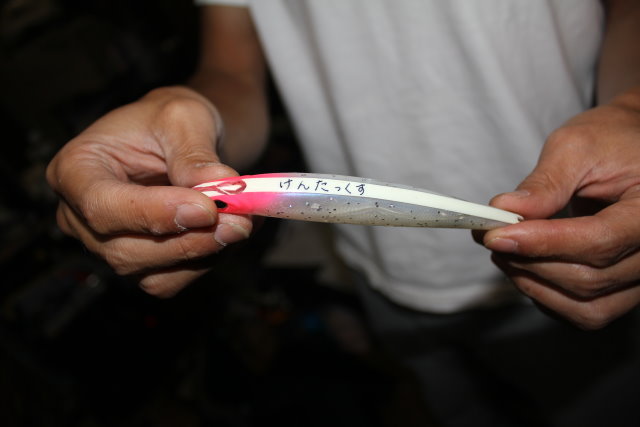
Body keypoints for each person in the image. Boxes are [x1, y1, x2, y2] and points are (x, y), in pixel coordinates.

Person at [46, 1, 640, 425]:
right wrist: (183, 108)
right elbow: (231, 70)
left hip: (573, 266)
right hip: (375, 273)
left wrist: (632, 108)